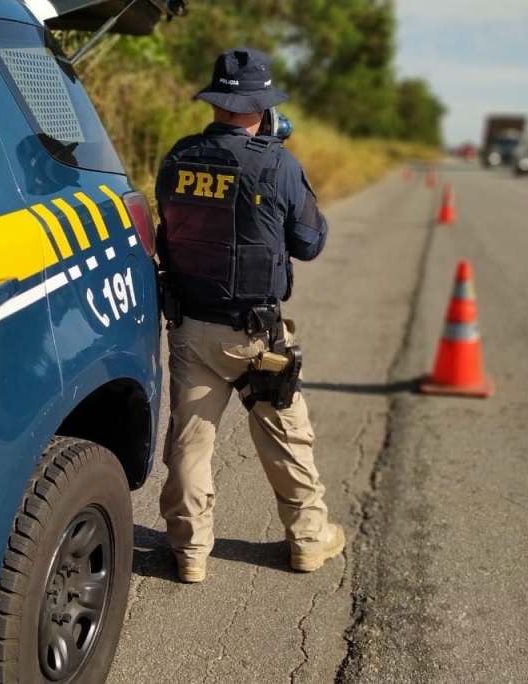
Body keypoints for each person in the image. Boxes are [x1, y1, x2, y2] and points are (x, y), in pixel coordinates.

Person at [154, 47, 344, 583]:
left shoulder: (177, 158)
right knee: (288, 439)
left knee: (190, 444)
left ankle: (190, 552)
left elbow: (170, 227)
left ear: (215, 103)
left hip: (191, 329)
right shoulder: (278, 164)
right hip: (257, 338)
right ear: (262, 107)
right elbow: (310, 242)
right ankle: (308, 540)